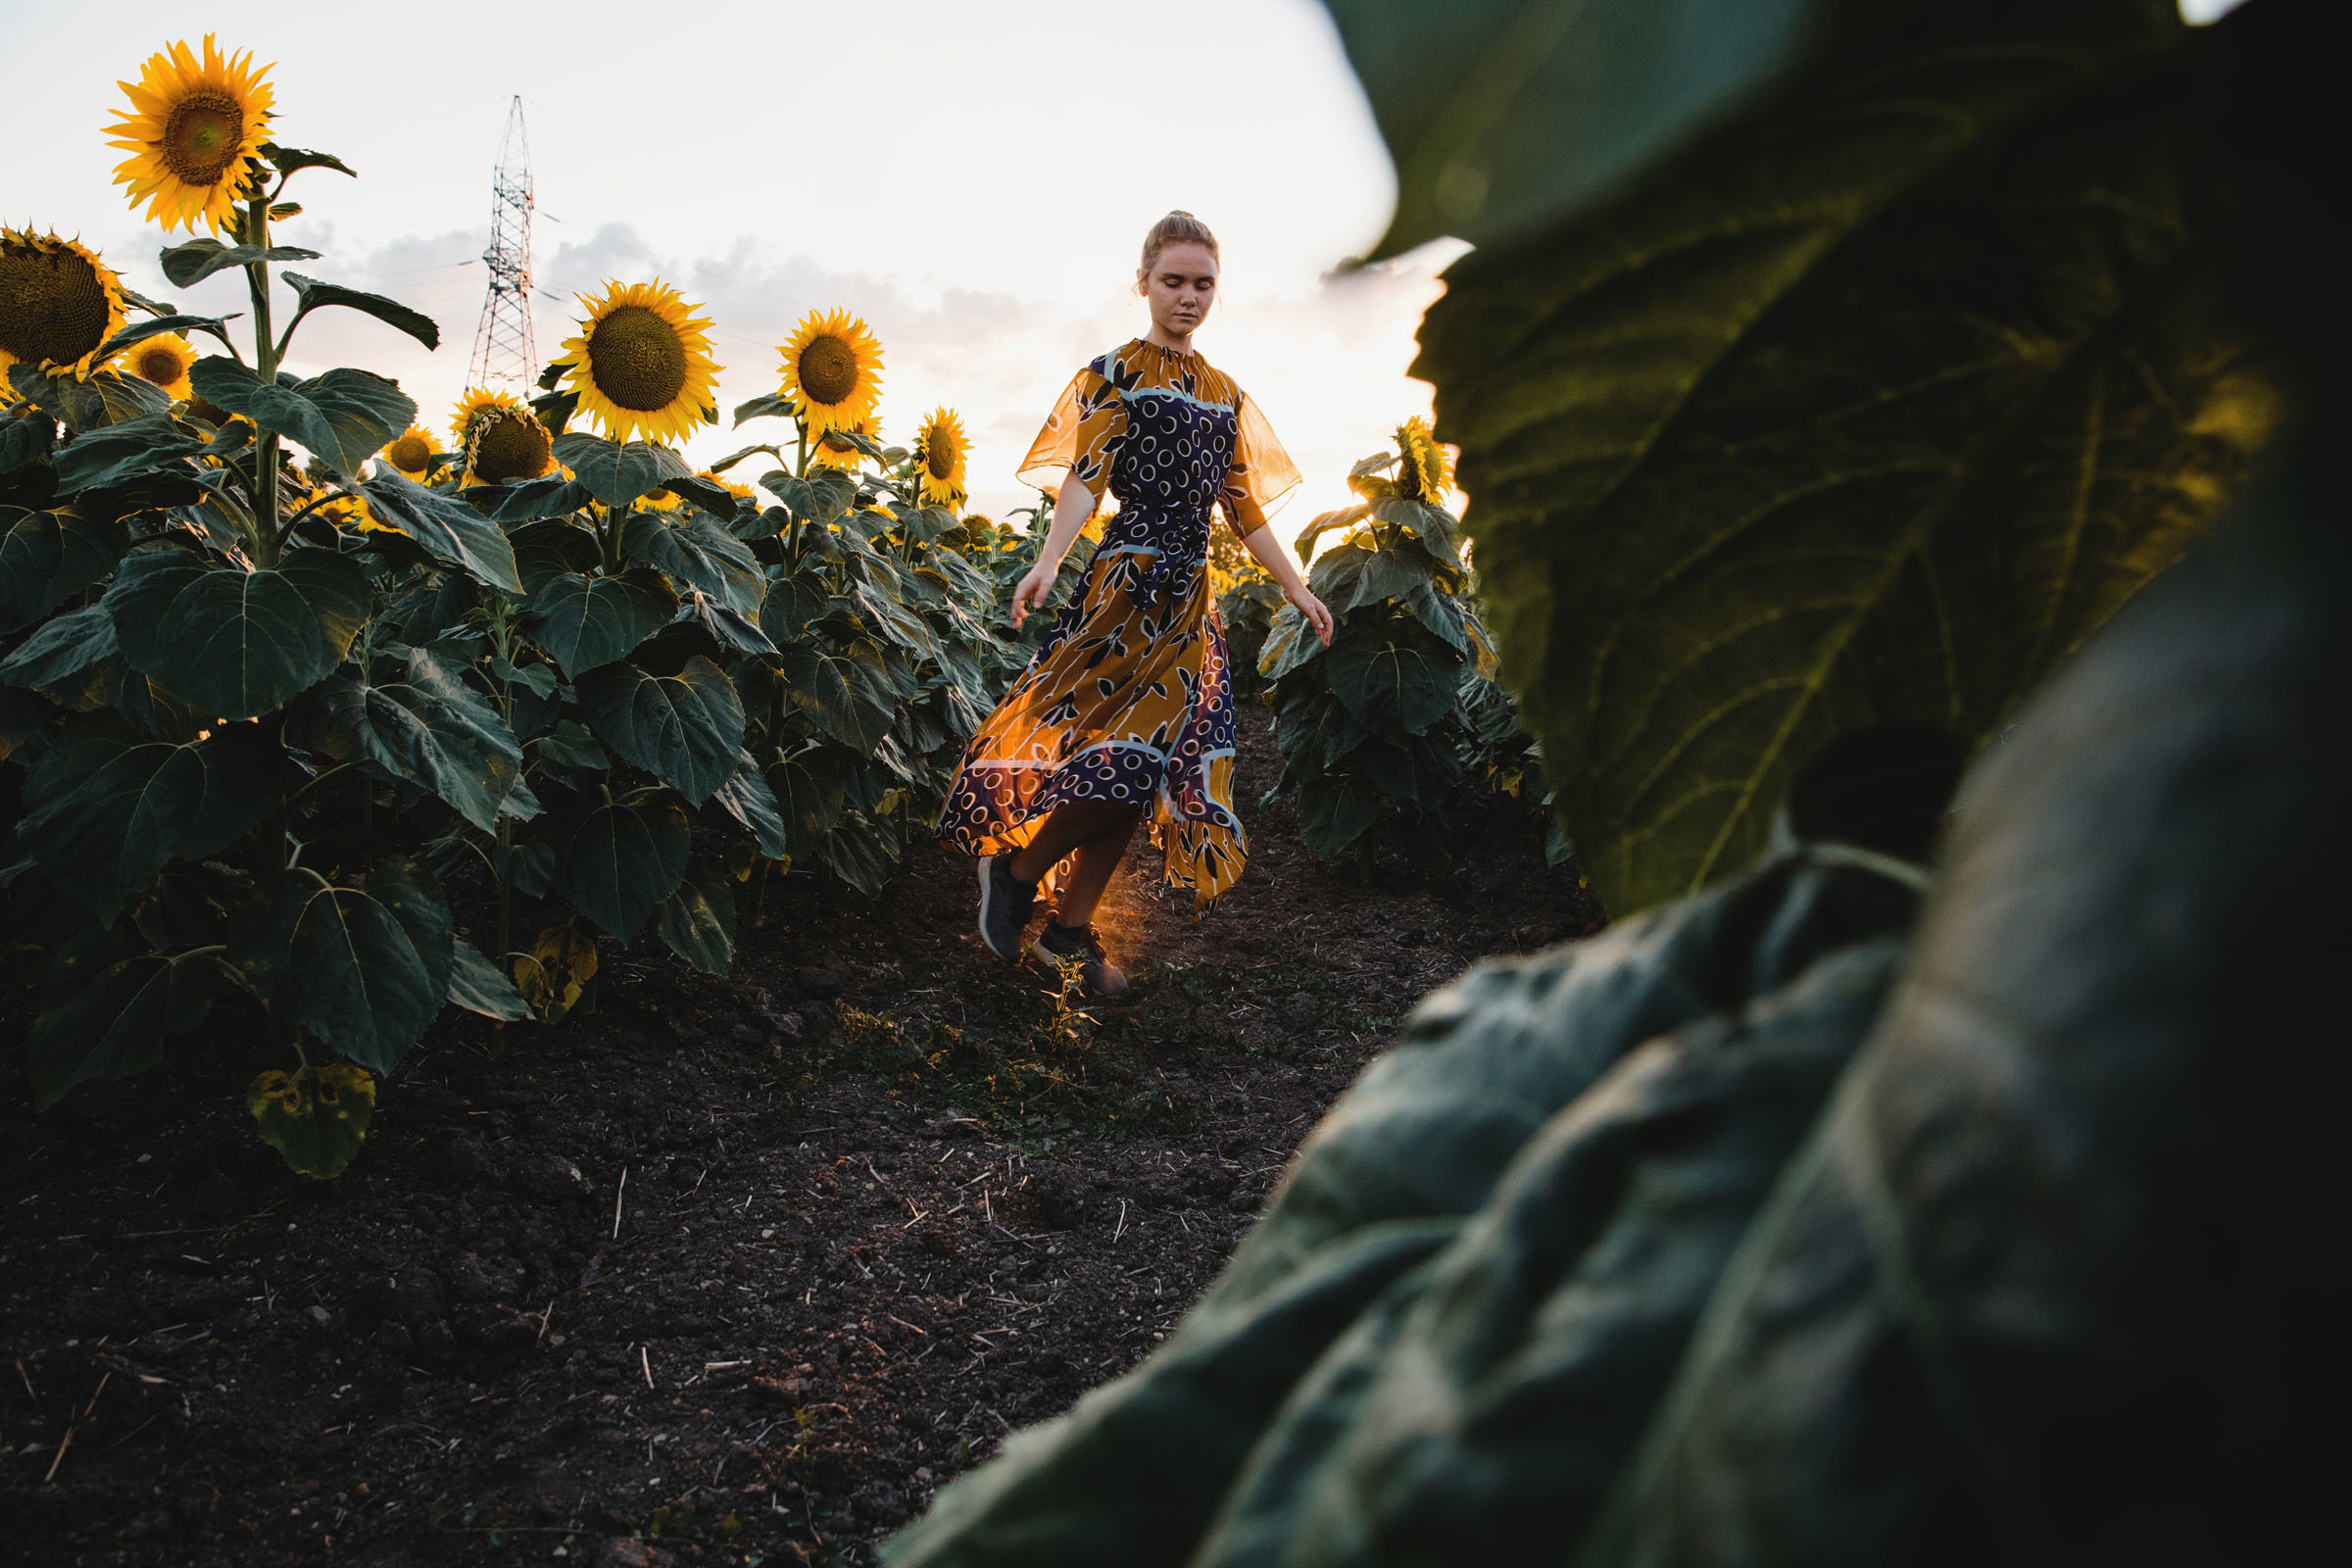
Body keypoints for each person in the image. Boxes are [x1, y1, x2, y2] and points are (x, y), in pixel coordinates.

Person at [933, 210, 1334, 997]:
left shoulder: (1226, 395)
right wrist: (1049, 561)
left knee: (1143, 771)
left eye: (1203, 284)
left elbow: (1245, 510)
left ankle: (1068, 936)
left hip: (1190, 603)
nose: (1189, 297)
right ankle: (1016, 876)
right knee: (1119, 761)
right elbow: (1083, 478)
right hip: (1124, 588)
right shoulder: (1114, 373)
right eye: (1173, 281)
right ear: (1142, 284)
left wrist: (1298, 587)